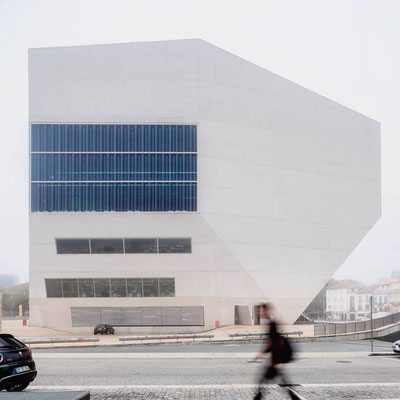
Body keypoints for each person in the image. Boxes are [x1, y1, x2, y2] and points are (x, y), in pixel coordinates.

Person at [251, 303, 299, 400]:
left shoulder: (272, 324)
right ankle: (294, 396)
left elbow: (273, 342)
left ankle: (258, 397)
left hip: (275, 359)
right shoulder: (271, 323)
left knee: (263, 382)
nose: (259, 313)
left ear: (265, 311)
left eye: (260, 311)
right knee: (281, 381)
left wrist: (261, 354)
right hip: (275, 359)